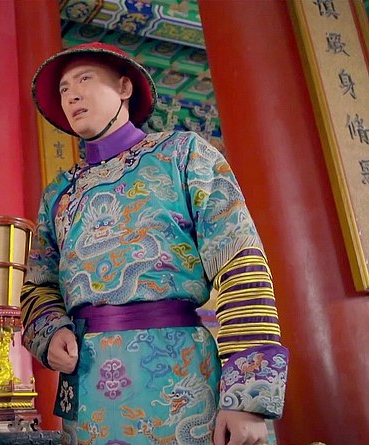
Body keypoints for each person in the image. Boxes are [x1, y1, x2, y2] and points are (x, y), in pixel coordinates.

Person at [21, 42, 288, 445]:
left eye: (84, 79)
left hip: (182, 378)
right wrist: (51, 329)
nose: (72, 95)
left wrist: (246, 398)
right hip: (88, 389)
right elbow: (38, 285)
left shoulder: (183, 155)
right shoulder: (59, 193)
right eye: (63, 89)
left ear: (125, 87)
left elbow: (239, 262)